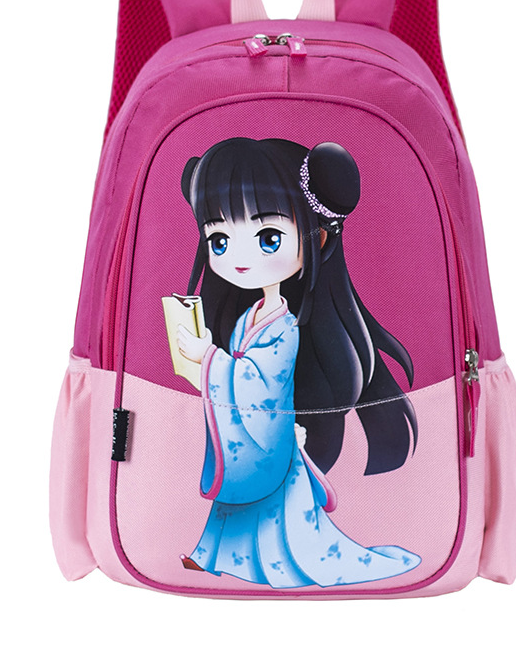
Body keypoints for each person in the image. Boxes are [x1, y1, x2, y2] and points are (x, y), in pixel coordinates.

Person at [175, 137, 420, 588]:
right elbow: (243, 372)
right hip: (258, 438)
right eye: (220, 240)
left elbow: (259, 381)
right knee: (241, 502)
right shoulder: (251, 314)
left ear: (319, 236)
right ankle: (212, 558)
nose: (240, 258)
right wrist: (210, 359)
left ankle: (272, 566)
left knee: (268, 508)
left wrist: (208, 360)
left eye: (268, 238)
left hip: (269, 441)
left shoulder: (285, 326)